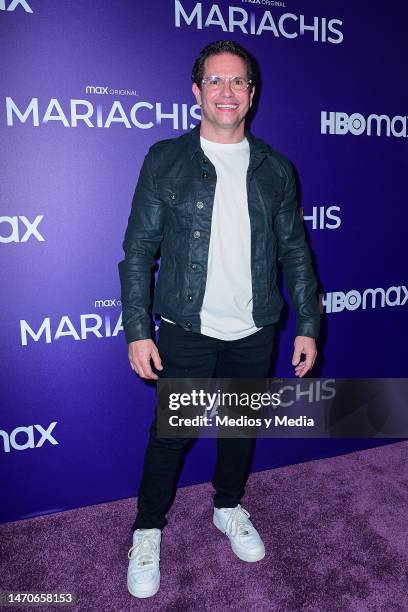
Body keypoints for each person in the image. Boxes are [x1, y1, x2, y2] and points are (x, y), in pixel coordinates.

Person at [118, 40, 320, 599]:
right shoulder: (166, 159)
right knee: (170, 436)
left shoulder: (276, 169)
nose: (226, 91)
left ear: (251, 95)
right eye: (215, 81)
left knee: (238, 430)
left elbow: (295, 250)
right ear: (196, 91)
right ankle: (147, 530)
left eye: (238, 82)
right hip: (186, 328)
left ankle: (228, 507)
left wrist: (308, 322)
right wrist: (138, 329)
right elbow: (139, 250)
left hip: (255, 330)